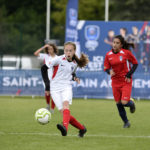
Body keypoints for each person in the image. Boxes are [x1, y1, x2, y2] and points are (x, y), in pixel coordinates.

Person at [45, 41, 89, 137]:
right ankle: (82, 129)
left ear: (74, 52)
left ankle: (65, 128)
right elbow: (44, 68)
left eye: (70, 51)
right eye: (66, 50)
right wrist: (47, 85)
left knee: (66, 105)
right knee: (64, 114)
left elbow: (71, 73)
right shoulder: (58, 59)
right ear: (64, 51)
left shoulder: (75, 63)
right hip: (55, 89)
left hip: (66, 87)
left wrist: (75, 78)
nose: (68, 52)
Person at [104, 35, 138, 128]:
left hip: (125, 81)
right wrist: (109, 71)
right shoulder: (108, 55)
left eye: (117, 43)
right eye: (114, 42)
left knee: (124, 102)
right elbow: (106, 67)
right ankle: (126, 122)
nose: (114, 44)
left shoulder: (126, 53)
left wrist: (128, 74)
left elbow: (135, 63)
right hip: (115, 82)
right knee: (118, 104)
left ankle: (131, 104)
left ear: (121, 45)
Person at [34, 43, 58, 113]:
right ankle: (48, 105)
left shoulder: (57, 58)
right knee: (47, 93)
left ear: (54, 49)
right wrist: (43, 47)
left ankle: (52, 109)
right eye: (48, 49)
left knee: (53, 94)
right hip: (46, 78)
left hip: (54, 78)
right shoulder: (46, 56)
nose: (49, 50)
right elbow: (36, 53)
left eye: (51, 49)